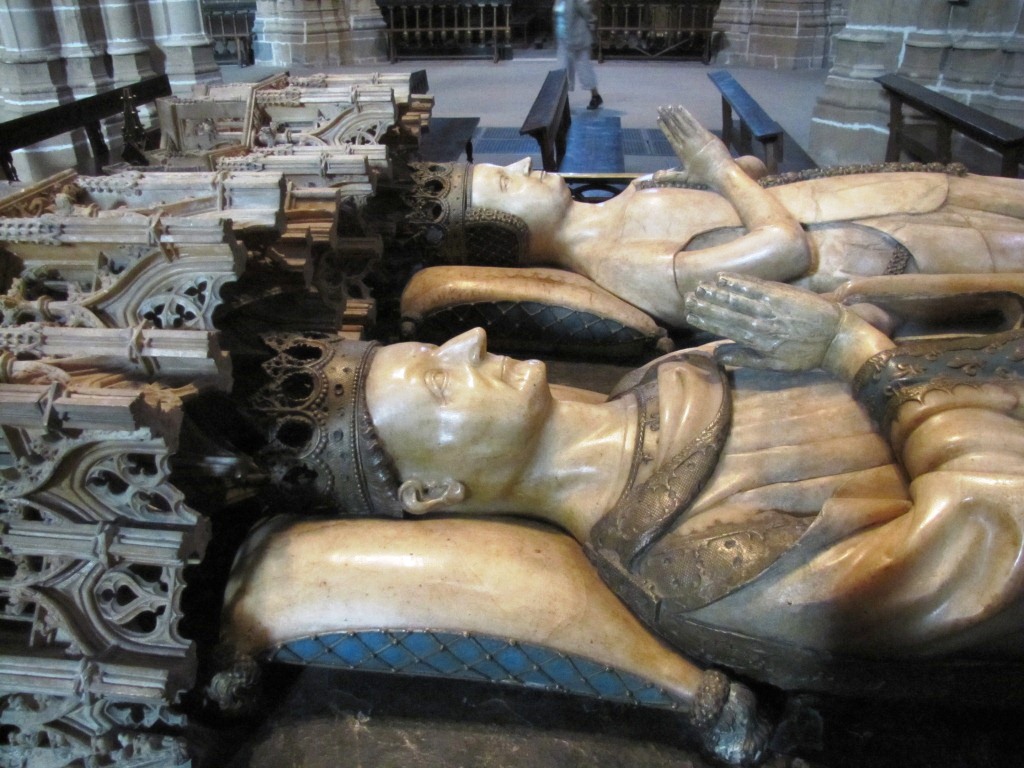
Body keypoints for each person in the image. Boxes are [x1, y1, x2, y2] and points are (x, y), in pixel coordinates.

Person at [222, 273, 1024, 766]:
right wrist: (856, 351)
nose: (468, 342)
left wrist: (845, 316)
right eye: (438, 382)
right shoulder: (699, 563)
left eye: (439, 350)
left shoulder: (661, 377)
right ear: (434, 493)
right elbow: (995, 543)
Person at [402, 106, 1024, 332]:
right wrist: (718, 168)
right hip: (879, 248)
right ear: (501, 232)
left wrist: (721, 169)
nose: (521, 165)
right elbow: (783, 253)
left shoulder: (627, 196)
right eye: (505, 181)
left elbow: (749, 179)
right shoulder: (620, 265)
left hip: (875, 195)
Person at [553, 0, 602, 109]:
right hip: (564, 39)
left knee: (584, 68)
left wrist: (592, 22)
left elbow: (586, 11)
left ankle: (595, 95)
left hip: (578, 38)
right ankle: (562, 101)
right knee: (562, 69)